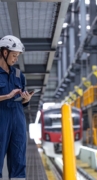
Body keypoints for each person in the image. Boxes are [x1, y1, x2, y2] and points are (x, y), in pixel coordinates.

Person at [0, 35, 34, 180]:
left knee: (19, 160)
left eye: (18, 56)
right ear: (4, 52)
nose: (15, 59)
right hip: (1, 120)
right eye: (14, 55)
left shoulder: (19, 75)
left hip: (18, 120)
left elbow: (23, 102)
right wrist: (7, 96)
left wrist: (26, 99)